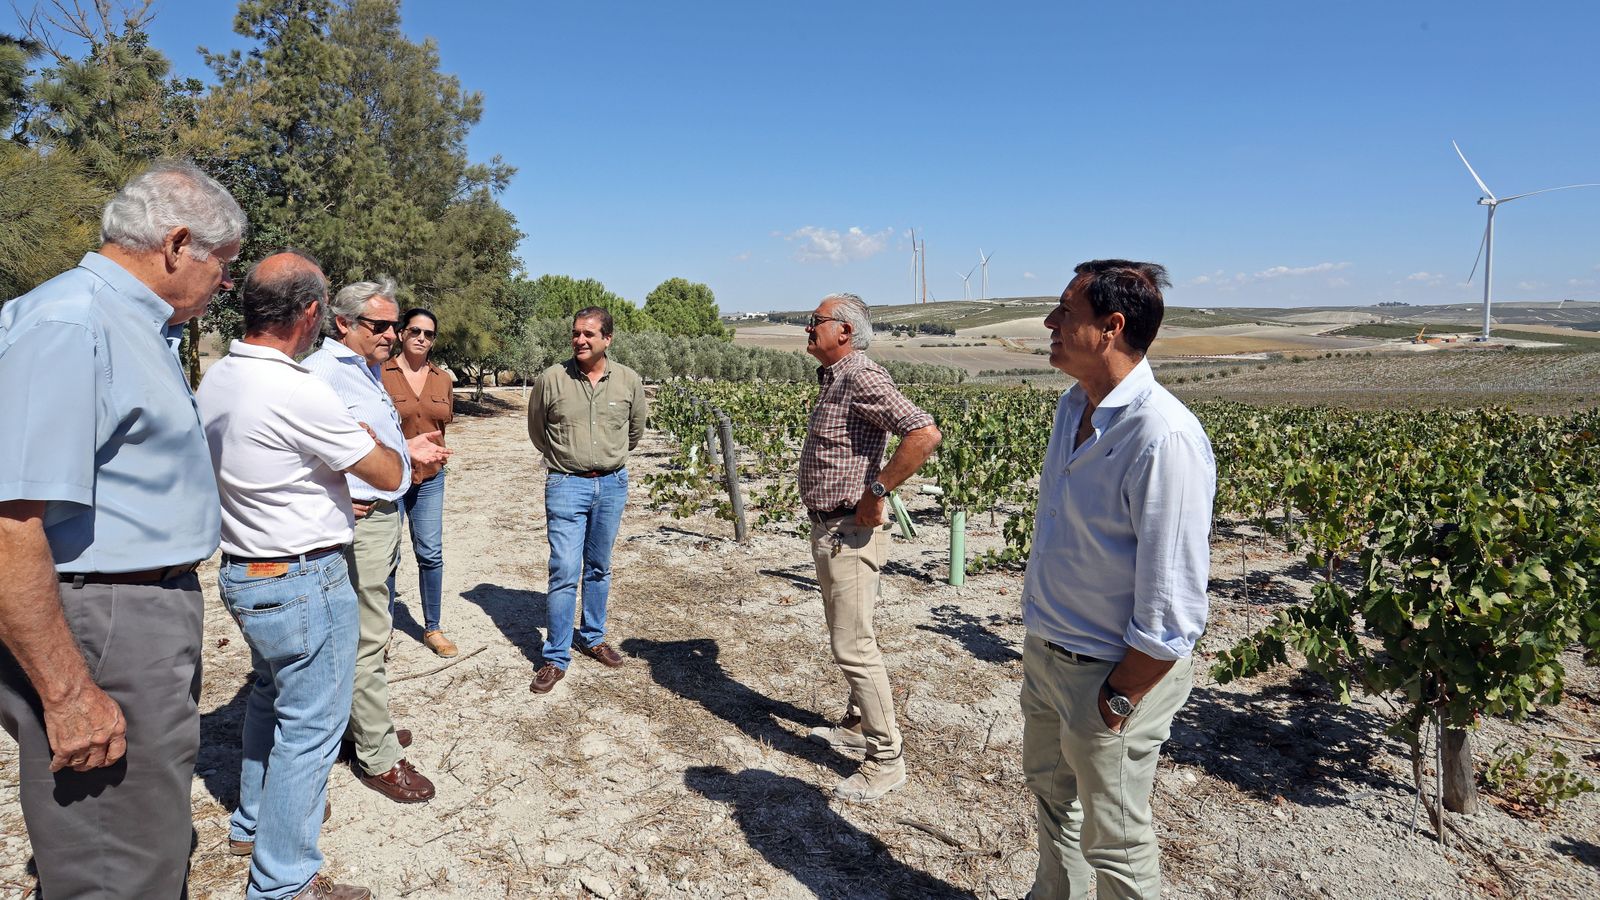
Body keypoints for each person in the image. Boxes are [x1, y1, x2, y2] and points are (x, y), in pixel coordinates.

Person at [0, 160, 243, 898]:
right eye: (223, 268)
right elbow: (10, 524)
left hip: (131, 610)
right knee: (115, 867)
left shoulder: (129, 324)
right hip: (101, 621)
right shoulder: (72, 323)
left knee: (142, 840)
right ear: (177, 244)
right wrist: (69, 692)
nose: (222, 286)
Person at [199, 251, 405, 900]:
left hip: (244, 574)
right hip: (302, 580)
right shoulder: (298, 387)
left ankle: (250, 825)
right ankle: (284, 885)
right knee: (310, 734)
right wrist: (382, 449)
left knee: (268, 696)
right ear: (314, 314)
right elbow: (388, 472)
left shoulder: (219, 378)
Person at [1019, 260, 1215, 899]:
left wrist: (1120, 696)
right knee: (1054, 805)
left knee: (1117, 842)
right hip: (1051, 654)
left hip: (1111, 673)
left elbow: (1175, 604)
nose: (1050, 324)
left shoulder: (1163, 437)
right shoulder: (1071, 406)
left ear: (1111, 328)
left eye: (1065, 314)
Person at [303, 279, 449, 803]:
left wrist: (405, 448)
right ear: (342, 323)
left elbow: (357, 442)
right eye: (380, 325)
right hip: (362, 523)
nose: (392, 334)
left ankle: (359, 727)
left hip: (380, 514)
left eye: (394, 325)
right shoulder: (322, 374)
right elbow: (306, 449)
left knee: (369, 626)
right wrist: (341, 491)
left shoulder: (358, 370)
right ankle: (378, 755)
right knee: (367, 636)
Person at [797, 292, 942, 802]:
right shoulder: (835, 376)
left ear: (845, 332)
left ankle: (886, 759)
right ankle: (858, 725)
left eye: (815, 321)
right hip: (831, 526)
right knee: (852, 634)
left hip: (849, 531)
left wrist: (877, 491)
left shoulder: (860, 374)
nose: (807, 328)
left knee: (852, 645)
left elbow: (923, 433)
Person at [526, 307, 647, 694]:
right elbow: (537, 429)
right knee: (563, 568)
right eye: (576, 333)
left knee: (599, 566)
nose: (580, 340)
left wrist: (607, 460)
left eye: (589, 334)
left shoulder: (628, 380)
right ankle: (556, 656)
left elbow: (635, 431)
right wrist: (568, 461)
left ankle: (592, 637)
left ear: (607, 339)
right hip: (565, 484)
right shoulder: (552, 379)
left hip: (612, 484)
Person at [381, 308, 457, 658]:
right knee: (386, 556)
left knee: (431, 553)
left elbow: (442, 426)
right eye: (415, 331)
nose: (422, 338)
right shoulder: (379, 372)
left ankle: (433, 627)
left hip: (430, 480)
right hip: (390, 478)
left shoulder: (443, 379)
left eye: (428, 334)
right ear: (401, 333)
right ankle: (381, 631)